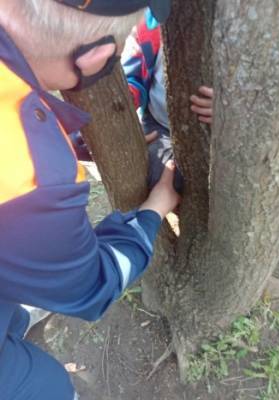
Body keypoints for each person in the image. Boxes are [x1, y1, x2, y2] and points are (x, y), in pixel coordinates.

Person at [0, 1, 179, 399]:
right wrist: (152, 212)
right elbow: (92, 287)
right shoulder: (33, 184)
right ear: (99, 56)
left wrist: (60, 140)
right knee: (47, 387)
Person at [122, 9, 214, 191]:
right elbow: (132, 76)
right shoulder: (149, 22)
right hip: (161, 126)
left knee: (214, 184)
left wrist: (231, 110)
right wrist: (125, 100)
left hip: (222, 134)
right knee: (158, 177)